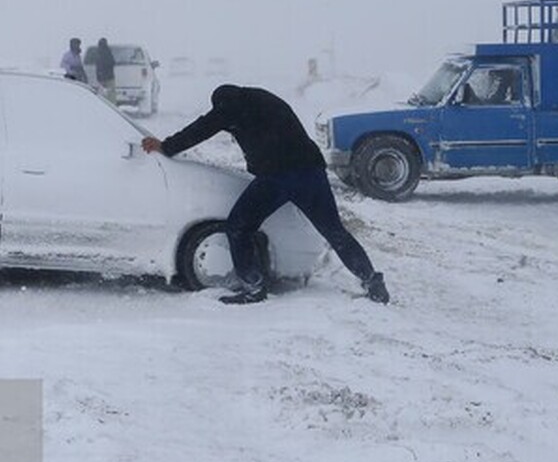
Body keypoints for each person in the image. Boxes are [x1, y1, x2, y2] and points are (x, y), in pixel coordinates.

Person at [142, 84, 390, 305]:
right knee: (335, 232)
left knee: (238, 226)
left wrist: (165, 146)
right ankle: (372, 280)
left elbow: (202, 128)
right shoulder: (266, 98)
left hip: (277, 177)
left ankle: (253, 287)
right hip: (311, 172)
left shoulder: (229, 106)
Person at [94, 37, 117, 103]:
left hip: (102, 77)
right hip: (109, 77)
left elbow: (98, 66)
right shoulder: (108, 52)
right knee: (111, 95)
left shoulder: (98, 53)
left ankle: (103, 106)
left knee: (102, 95)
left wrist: (99, 76)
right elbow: (113, 63)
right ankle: (112, 107)